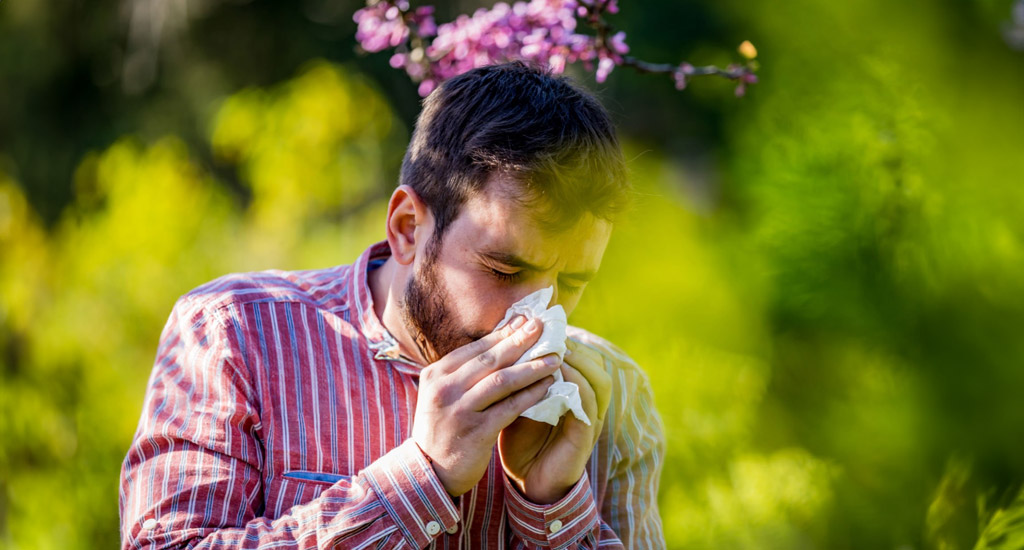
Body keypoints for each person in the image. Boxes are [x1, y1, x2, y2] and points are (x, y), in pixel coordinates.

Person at [119, 61, 665, 550]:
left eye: (570, 281)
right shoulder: (232, 335)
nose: (533, 315)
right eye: (504, 269)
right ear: (408, 228)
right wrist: (419, 482)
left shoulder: (612, 400)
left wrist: (557, 512)